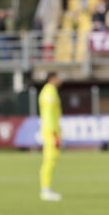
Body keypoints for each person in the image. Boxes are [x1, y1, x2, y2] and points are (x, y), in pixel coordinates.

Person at [39, 72, 63, 202]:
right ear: (52, 79)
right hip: (50, 131)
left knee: (52, 159)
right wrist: (54, 133)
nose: (60, 80)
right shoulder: (49, 93)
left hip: (51, 130)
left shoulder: (51, 91)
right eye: (58, 78)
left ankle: (46, 189)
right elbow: (48, 114)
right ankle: (45, 190)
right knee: (49, 159)